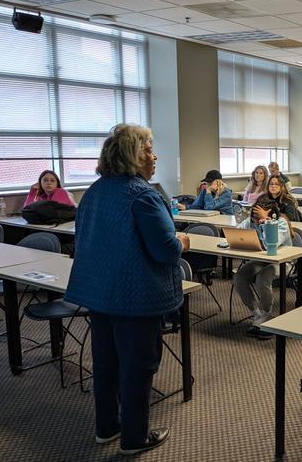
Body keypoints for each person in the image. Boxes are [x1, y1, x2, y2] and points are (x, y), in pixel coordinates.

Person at [65, 124, 190, 455]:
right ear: (132, 157)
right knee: (138, 367)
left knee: (105, 363)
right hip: (136, 297)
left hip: (100, 294)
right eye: (148, 149)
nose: (155, 155)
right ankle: (135, 438)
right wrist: (183, 240)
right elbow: (165, 250)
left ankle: (107, 427)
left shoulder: (93, 192)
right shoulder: (143, 195)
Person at [234, 200, 293, 339]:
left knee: (263, 277)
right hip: (261, 260)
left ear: (272, 215)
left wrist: (266, 221)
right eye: (254, 217)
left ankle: (266, 315)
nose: (255, 221)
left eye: (258, 217)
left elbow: (270, 244)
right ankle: (257, 314)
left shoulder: (281, 223)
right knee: (240, 277)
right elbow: (237, 232)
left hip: (284, 261)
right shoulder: (252, 221)